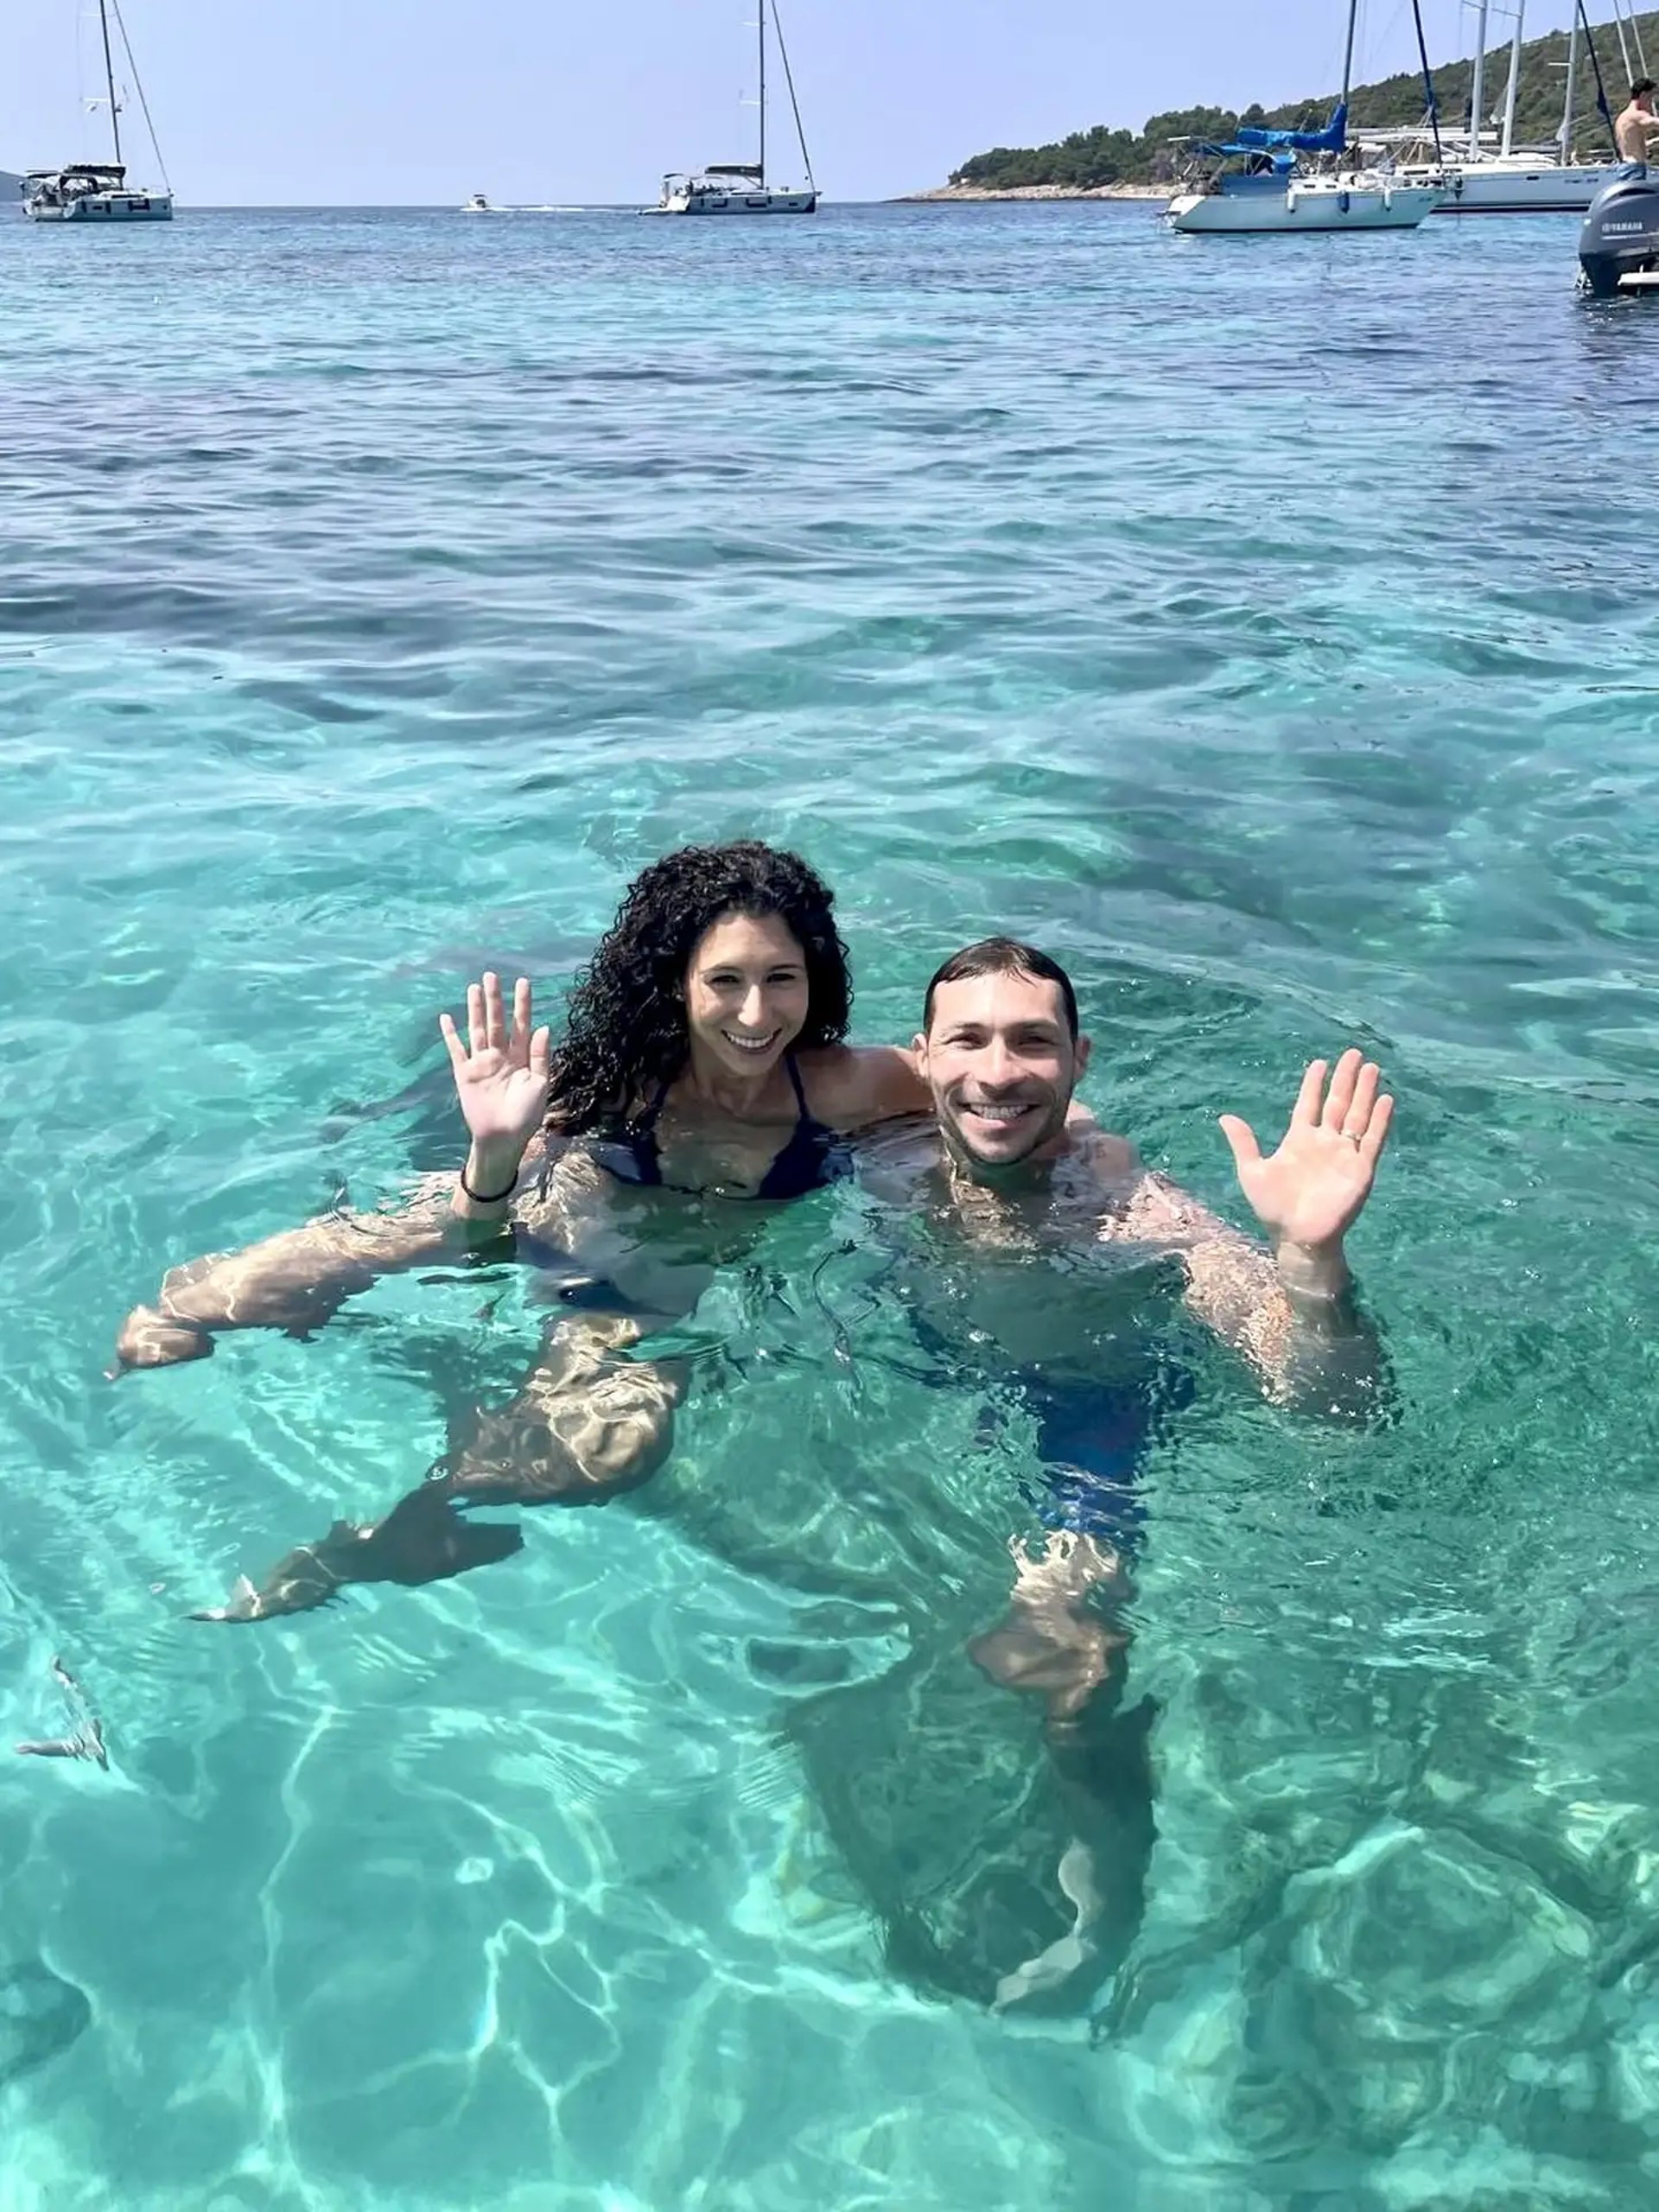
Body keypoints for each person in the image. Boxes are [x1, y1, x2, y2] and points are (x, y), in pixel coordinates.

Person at [793, 934, 1391, 2012]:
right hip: (931, 1376)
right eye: (968, 1039)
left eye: (1032, 1042)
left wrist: (1310, 1266)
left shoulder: (1129, 1209)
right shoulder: (880, 1153)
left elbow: (1335, 1410)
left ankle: (1105, 1905)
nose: (997, 1071)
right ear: (919, 1055)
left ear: (1080, 1060)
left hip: (1089, 1408)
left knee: (1071, 1654)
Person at [113, 841, 930, 1618]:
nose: (757, 1012)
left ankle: (397, 1527)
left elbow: (1008, 1100)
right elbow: (478, 1235)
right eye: (726, 980)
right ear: (674, 982)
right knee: (239, 1292)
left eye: (781, 977)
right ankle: (191, 1324)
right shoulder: (608, 1084)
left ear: (814, 977)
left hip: (645, 1292)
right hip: (554, 1218)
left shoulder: (858, 1086)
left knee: (597, 1452)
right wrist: (496, 1146)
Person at [1616, 78, 1659, 176]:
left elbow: (1631, 144)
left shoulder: (1622, 118)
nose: (1650, 103)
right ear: (1643, 95)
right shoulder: (1637, 115)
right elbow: (1655, 122)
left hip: (1625, 167)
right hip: (1635, 168)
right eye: (1650, 98)